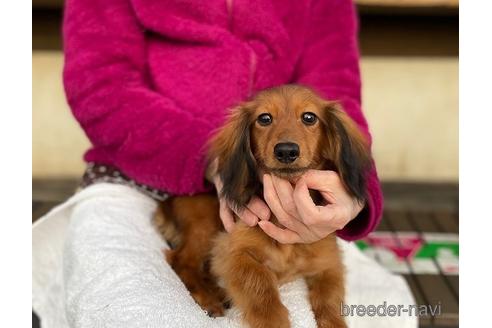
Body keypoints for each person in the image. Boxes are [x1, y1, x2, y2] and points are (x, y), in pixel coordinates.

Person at [63, 0, 383, 244]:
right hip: (132, 179)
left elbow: (334, 93)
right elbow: (101, 87)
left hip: (274, 186)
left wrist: (353, 186)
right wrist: (215, 157)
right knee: (125, 302)